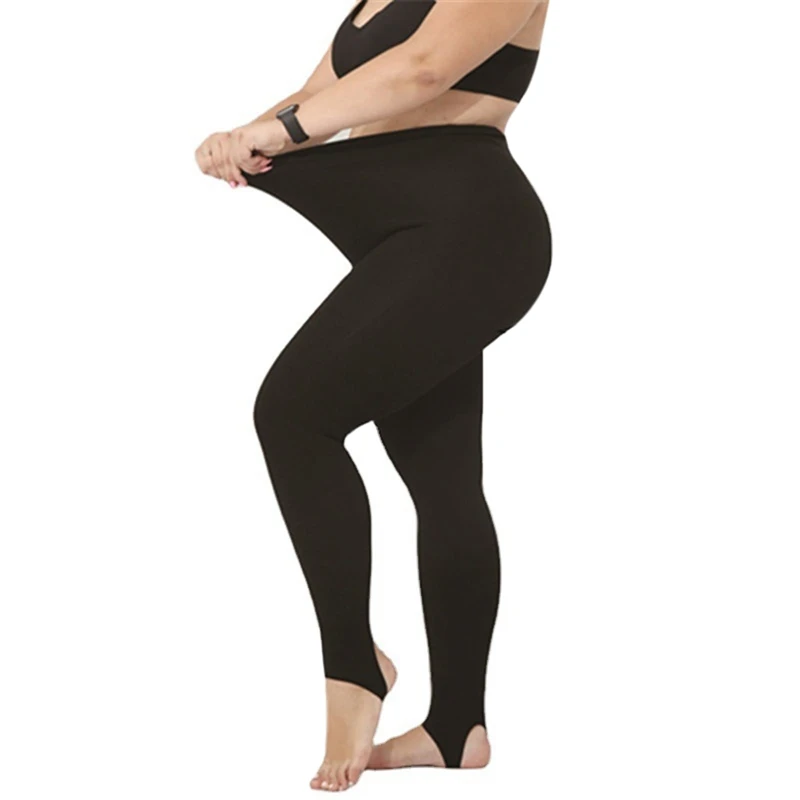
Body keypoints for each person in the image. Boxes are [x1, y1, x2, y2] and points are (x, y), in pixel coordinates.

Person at [194, 0, 551, 792]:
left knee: (294, 415)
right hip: (406, 237)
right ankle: (457, 728)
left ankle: (354, 665)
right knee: (441, 475)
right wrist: (241, 136)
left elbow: (422, 70)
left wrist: (277, 132)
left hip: (469, 232)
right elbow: (316, 98)